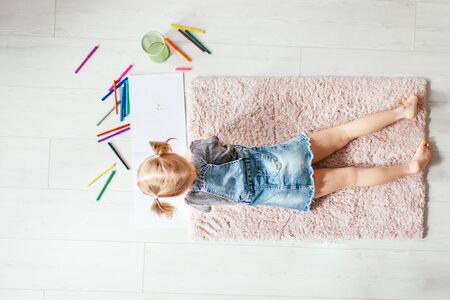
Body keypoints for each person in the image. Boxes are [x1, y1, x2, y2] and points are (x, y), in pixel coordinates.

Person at [137, 94, 432, 218]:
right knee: (344, 133)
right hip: (283, 159)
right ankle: (401, 112)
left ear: (173, 196)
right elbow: (217, 141)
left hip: (286, 193)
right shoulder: (201, 152)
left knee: (350, 176)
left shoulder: (194, 200)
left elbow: (210, 207)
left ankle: (409, 167)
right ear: (168, 153)